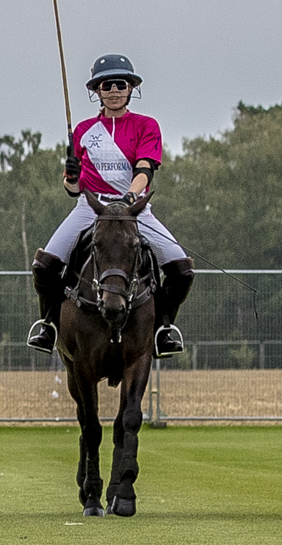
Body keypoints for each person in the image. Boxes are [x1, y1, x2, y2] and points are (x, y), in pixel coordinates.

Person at [26, 55, 196, 356]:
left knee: (182, 269)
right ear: (97, 90)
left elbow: (145, 169)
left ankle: (162, 328)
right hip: (90, 208)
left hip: (133, 210)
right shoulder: (82, 131)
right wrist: (72, 177)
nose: (115, 90)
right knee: (44, 266)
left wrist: (130, 198)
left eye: (121, 84)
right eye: (107, 85)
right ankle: (49, 325)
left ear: (131, 88)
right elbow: (72, 188)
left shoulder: (146, 125)